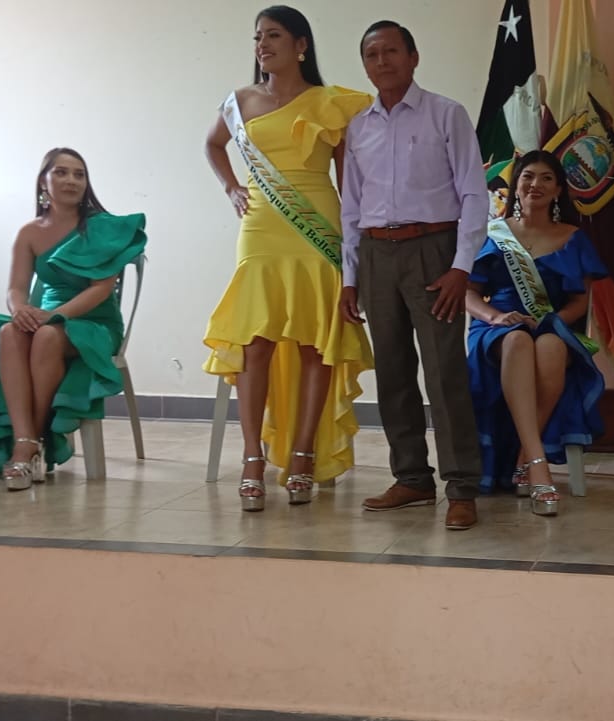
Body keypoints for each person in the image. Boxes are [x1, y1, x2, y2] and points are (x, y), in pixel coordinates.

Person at [201, 6, 374, 512]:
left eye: (273, 35)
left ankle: (303, 454)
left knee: (315, 342)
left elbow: (349, 180)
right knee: (255, 341)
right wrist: (231, 187)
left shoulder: (331, 102)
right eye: (258, 36)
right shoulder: (239, 101)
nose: (262, 44)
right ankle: (252, 457)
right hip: (261, 228)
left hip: (317, 224)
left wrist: (355, 248)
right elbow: (213, 144)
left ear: (301, 45)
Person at [340, 20, 487, 530]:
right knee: (393, 371)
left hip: (434, 252)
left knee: (444, 372)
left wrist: (461, 267)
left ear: (413, 56)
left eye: (391, 51)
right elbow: (351, 207)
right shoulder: (358, 127)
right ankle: (412, 478)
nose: (382, 61)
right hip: (376, 255)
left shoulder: (446, 114)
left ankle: (462, 486)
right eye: (372, 54)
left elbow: (474, 194)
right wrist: (350, 277)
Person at [0, 148, 147, 490]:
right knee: (8, 332)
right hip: (44, 318)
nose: (71, 180)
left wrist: (54, 315)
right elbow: (16, 288)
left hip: (94, 323)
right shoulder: (29, 233)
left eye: (79, 174)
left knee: (47, 336)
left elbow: (101, 290)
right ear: (43, 181)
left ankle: (33, 441)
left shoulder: (102, 227)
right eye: (61, 172)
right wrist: (20, 310)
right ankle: (26, 442)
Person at [464, 150, 608, 515]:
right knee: (516, 341)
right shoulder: (494, 233)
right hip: (496, 327)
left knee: (550, 348)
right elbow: (468, 293)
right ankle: (538, 467)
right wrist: (496, 317)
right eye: (528, 176)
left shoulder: (573, 238)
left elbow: (580, 302)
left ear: (558, 190)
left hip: (549, 325)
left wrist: (551, 321)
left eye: (546, 178)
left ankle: (525, 458)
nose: (535, 184)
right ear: (516, 185)